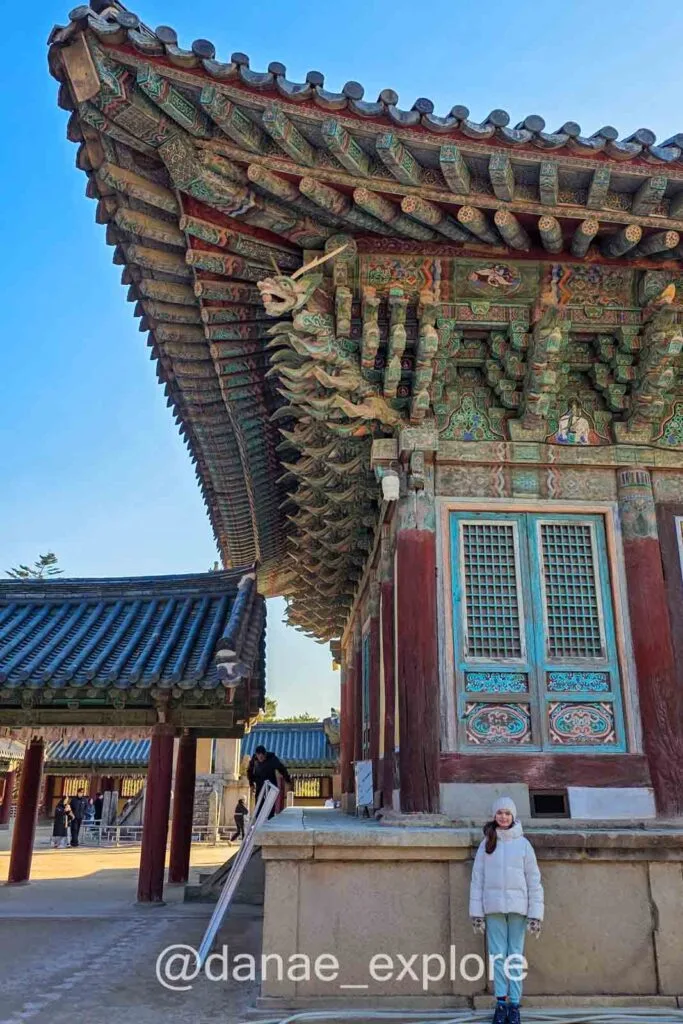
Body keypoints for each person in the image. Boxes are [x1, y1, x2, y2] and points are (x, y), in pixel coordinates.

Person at [469, 796, 544, 1024]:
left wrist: (535, 914)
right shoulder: (487, 844)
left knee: (515, 955)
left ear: (513, 817)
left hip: (518, 909)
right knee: (497, 956)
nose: (503, 817)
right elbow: (477, 879)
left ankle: (514, 1003)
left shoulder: (523, 845)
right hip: (493, 908)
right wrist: (477, 912)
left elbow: (534, 880)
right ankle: (500, 1002)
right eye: (500, 813)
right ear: (495, 816)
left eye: (507, 813)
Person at [247, 745, 292, 818]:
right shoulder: (254, 759)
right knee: (259, 802)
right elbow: (249, 771)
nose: (261, 759)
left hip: (271, 783)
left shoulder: (272, 759)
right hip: (260, 783)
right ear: (257, 755)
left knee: (270, 803)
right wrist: (251, 783)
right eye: (259, 757)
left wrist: (288, 780)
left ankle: (270, 817)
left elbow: (282, 769)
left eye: (262, 757)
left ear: (265, 754)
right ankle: (258, 818)